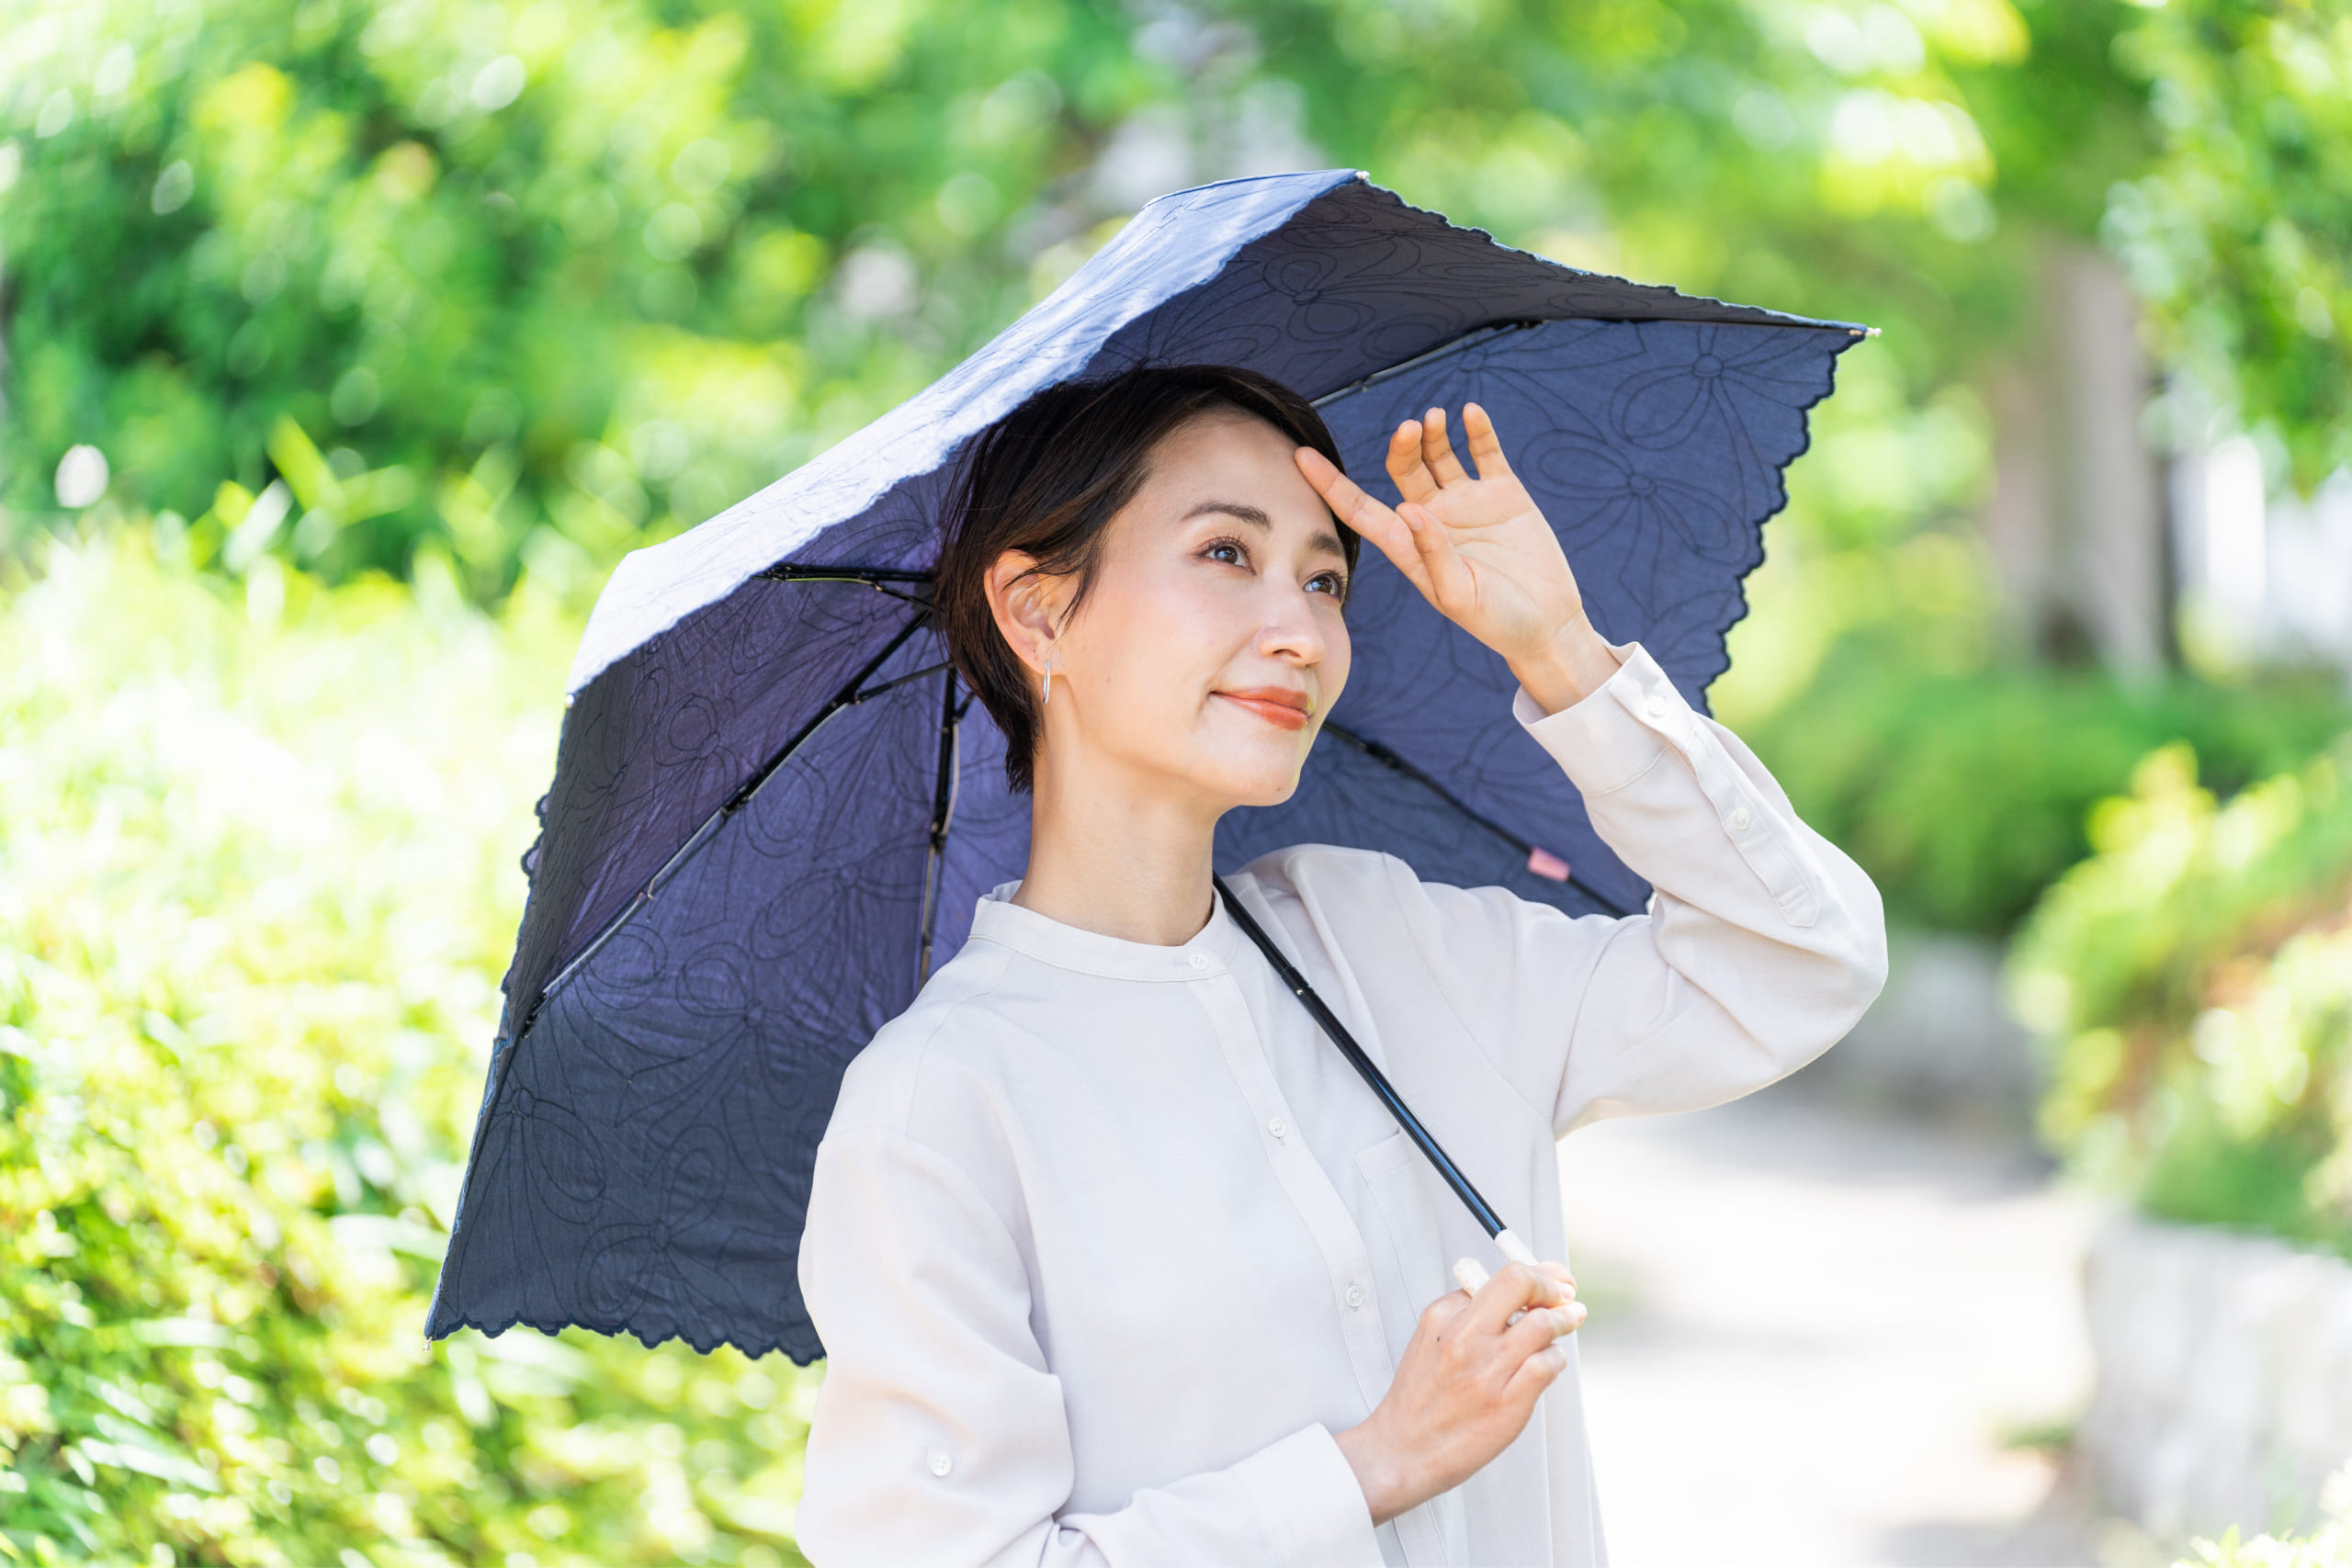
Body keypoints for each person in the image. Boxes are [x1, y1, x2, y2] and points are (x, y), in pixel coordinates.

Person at [793, 364, 1888, 1566]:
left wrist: (1559, 648)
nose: (1301, 631)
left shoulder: (1387, 938)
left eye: (1325, 579)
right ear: (1040, 612)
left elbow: (1799, 965)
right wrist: (1375, 1464)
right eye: (1225, 554)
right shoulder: (941, 1103)